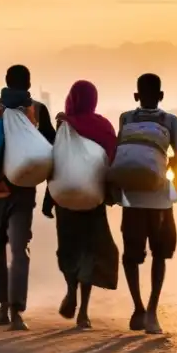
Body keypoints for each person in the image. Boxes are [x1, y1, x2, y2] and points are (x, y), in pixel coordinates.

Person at [0, 64, 56, 331]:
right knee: (20, 249)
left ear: (6, 82)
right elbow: (51, 152)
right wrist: (50, 195)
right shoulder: (39, 111)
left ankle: (3, 308)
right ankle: (17, 311)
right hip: (23, 192)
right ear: (29, 84)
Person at [41, 80, 119, 330]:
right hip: (93, 200)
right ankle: (83, 311)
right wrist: (109, 194)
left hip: (65, 201)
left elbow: (57, 164)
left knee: (68, 249)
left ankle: (70, 291)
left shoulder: (65, 125)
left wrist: (48, 199)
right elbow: (111, 160)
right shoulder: (104, 126)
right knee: (89, 252)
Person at [117, 73, 177, 335]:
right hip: (160, 200)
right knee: (159, 255)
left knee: (131, 256)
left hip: (132, 198)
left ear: (136, 96)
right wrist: (171, 168)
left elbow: (121, 152)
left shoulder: (126, 118)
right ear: (161, 96)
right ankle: (152, 311)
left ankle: (137, 308)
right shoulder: (170, 121)